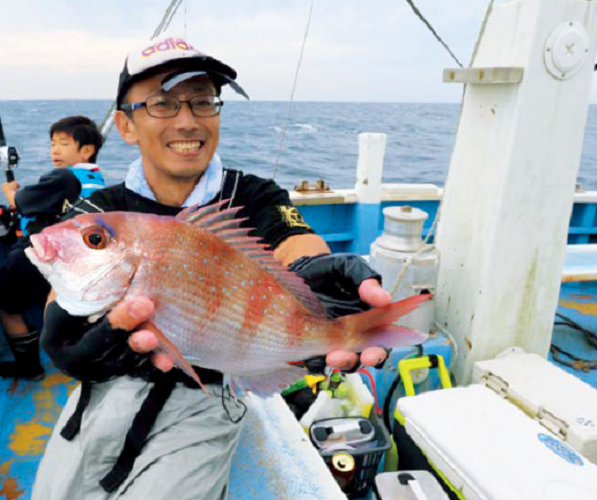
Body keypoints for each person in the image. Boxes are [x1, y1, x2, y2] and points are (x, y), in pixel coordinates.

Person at [31, 36, 392, 499]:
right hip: (100, 395)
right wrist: (62, 330)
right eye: (162, 103)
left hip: (206, 393)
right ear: (125, 125)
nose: (187, 119)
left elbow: (294, 244)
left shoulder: (255, 196)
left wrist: (316, 269)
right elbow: (60, 297)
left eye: (202, 101)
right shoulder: (101, 210)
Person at [0, 116, 106, 379]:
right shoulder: (94, 177)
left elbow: (21, 201)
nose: (55, 150)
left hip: (35, 256)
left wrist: (9, 190)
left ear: (86, 150)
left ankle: (29, 367)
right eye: (53, 144)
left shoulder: (63, 177)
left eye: (64, 144)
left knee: (6, 306)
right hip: (72, 260)